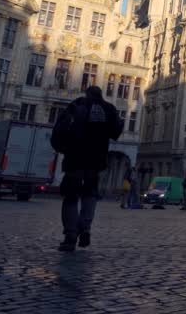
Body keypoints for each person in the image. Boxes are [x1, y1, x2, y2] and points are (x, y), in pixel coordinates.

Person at [50, 85, 122, 252]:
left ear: (87, 93)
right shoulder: (108, 108)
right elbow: (117, 130)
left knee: (70, 197)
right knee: (90, 195)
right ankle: (85, 228)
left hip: (74, 157)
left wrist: (61, 147)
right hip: (95, 160)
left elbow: (61, 127)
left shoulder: (77, 105)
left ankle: (70, 234)